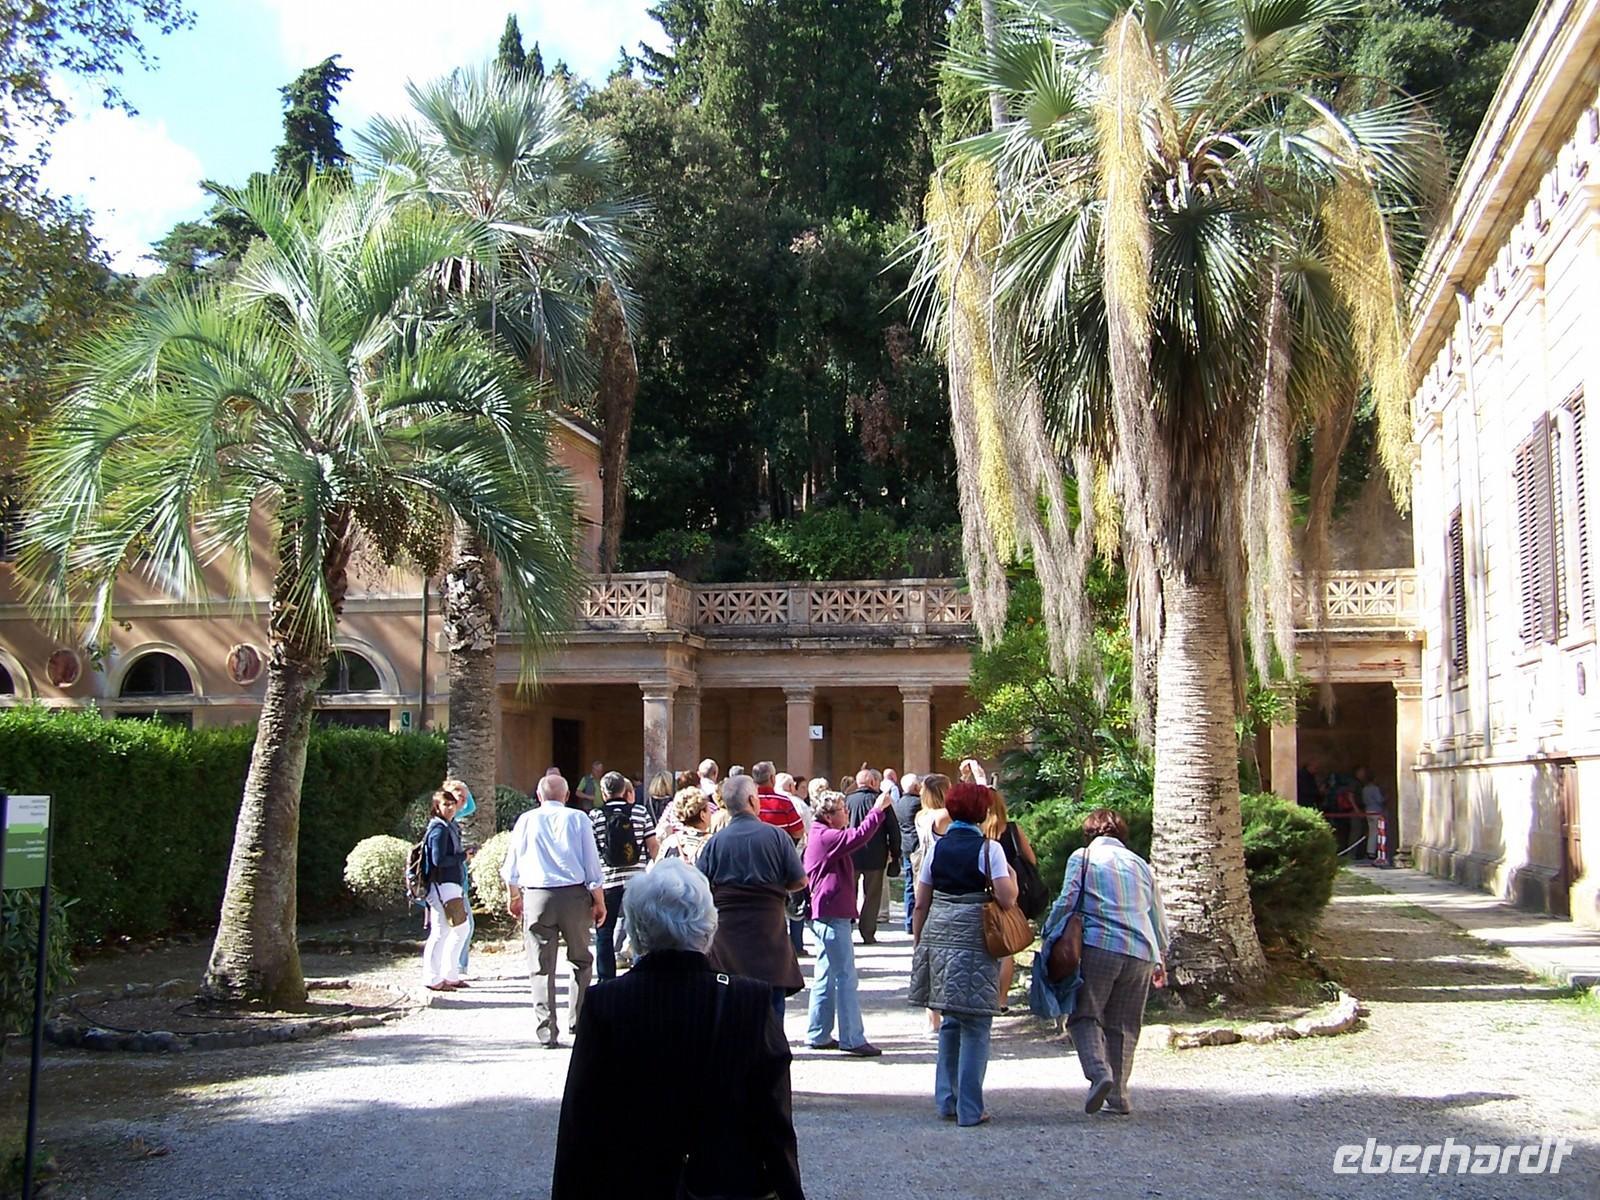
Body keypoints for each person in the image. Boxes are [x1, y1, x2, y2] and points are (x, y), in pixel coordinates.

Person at [551, 859, 805, 1200]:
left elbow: (580, 1122)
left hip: (632, 1185)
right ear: (709, 925)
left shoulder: (605, 1003)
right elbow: (774, 1121)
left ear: (637, 930)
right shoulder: (750, 1001)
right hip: (726, 1185)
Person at [1048, 808, 1169, 1116]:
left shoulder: (1083, 857)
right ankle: (1119, 1096)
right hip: (1141, 951)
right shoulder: (1141, 864)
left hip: (1100, 945)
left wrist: (1049, 931)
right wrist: (1160, 957)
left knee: (1083, 1015)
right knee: (1125, 1025)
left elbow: (1068, 899)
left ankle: (1099, 1073)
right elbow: (1156, 914)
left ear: (1089, 833)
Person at [909, 782, 1016, 1126]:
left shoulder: (937, 848)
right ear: (981, 812)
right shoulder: (989, 849)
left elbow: (921, 901)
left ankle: (946, 1100)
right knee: (977, 1022)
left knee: (951, 1019)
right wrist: (1011, 878)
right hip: (975, 935)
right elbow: (1007, 898)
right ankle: (971, 1108)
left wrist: (920, 943)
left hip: (940, 932)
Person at [501, 774, 607, 1049]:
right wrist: (599, 900)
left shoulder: (526, 820)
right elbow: (592, 864)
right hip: (574, 895)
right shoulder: (579, 819)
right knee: (581, 959)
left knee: (540, 966)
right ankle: (579, 1020)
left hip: (537, 895)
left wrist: (514, 896)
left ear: (539, 796)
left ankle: (547, 1030)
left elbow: (512, 865)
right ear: (567, 795)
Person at [694, 775, 807, 1025]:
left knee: (731, 1011)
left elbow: (700, 886)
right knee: (771, 1011)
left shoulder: (714, 843)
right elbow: (800, 880)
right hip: (769, 932)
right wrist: (776, 888)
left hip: (728, 939)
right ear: (752, 800)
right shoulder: (777, 837)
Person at [803, 788, 895, 1055]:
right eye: (843, 810)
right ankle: (852, 1038)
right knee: (845, 976)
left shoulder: (821, 833)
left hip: (826, 911)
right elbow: (859, 836)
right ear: (828, 815)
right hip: (831, 913)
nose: (847, 814)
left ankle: (819, 1033)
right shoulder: (826, 836)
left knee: (827, 973)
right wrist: (877, 810)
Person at [590, 771, 659, 981]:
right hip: (636, 880)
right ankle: (639, 975)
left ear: (604, 792)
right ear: (624, 790)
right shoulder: (640, 812)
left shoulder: (595, 816)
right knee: (638, 930)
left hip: (607, 882)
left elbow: (591, 852)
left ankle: (606, 979)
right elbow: (653, 846)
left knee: (604, 932)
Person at [981, 787, 1038, 1011]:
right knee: (1007, 949)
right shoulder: (1012, 829)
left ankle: (984, 995)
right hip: (1012, 891)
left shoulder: (978, 831)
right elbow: (1031, 860)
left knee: (985, 943)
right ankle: (1001, 1000)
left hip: (985, 892)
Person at [420, 789, 470, 992]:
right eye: (445, 804)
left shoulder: (447, 827)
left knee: (457, 929)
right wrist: (462, 857)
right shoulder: (439, 830)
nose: (450, 808)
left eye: (452, 804)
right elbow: (438, 860)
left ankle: (449, 974)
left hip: (448, 884)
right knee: (443, 930)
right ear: (437, 807)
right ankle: (433, 977)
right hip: (442, 884)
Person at [844, 767, 900, 944]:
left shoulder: (848, 800)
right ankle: (868, 932)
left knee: (848, 892)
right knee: (872, 895)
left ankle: (845, 929)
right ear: (873, 782)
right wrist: (895, 854)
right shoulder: (881, 800)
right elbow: (893, 829)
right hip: (876, 854)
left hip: (851, 853)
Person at [441, 778, 477, 978]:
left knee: (459, 927)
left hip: (457, 881)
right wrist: (462, 857)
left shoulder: (453, 819)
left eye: (464, 796)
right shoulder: (441, 823)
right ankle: (455, 968)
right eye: (458, 795)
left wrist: (463, 788)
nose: (462, 799)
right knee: (462, 926)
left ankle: (456, 968)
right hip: (448, 882)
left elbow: (471, 806)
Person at [893, 773, 924, 934]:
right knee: (920, 884)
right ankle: (917, 921)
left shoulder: (899, 802)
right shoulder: (918, 803)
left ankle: (909, 921)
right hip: (917, 846)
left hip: (905, 846)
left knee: (909, 884)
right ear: (916, 787)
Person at [658, 788, 713, 866]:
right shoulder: (711, 843)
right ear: (702, 815)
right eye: (709, 809)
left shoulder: (669, 842)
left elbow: (657, 869)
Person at [1356, 767, 1389, 865]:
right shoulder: (1375, 789)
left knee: (1371, 831)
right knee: (1378, 832)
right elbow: (1379, 800)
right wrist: (1386, 797)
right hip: (1376, 811)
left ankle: (1370, 850)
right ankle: (1375, 851)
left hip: (1368, 810)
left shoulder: (1365, 789)